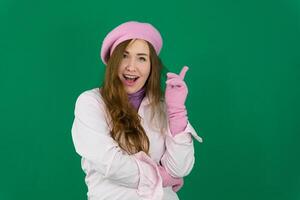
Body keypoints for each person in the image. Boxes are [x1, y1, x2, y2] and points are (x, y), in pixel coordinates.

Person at [71, 21, 203, 200]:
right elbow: (110, 164)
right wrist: (162, 178)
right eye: (124, 56)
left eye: (142, 58)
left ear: (151, 66)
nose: (131, 66)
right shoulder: (91, 103)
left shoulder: (162, 106)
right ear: (112, 62)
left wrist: (177, 112)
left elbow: (180, 168)